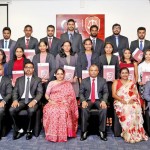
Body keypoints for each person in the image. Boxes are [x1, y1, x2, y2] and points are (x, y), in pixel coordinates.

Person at [112, 67, 148, 143]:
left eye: (126, 73)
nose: (125, 74)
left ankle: (135, 132)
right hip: (119, 101)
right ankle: (128, 133)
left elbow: (135, 94)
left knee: (135, 107)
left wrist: (132, 99)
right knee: (126, 109)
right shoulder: (116, 82)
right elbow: (114, 95)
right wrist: (122, 100)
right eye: (123, 73)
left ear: (128, 74)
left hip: (130, 100)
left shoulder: (132, 82)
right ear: (120, 74)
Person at [9, 62, 43, 140]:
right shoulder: (19, 79)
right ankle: (19, 129)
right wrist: (15, 100)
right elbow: (15, 91)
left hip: (32, 100)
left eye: (30, 67)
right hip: (21, 100)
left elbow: (40, 93)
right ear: (24, 69)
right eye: (26, 67)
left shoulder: (37, 79)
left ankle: (29, 130)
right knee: (11, 110)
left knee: (31, 110)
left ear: (33, 69)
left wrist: (34, 101)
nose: (28, 69)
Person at [43, 68, 78, 142]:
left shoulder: (67, 84)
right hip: (53, 101)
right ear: (55, 75)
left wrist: (65, 101)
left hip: (64, 102)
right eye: (58, 74)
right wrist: (50, 101)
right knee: (51, 110)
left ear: (64, 75)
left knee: (63, 110)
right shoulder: (51, 83)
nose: (60, 76)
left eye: (61, 74)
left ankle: (64, 134)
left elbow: (71, 96)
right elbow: (46, 94)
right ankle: (52, 134)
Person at [80, 64, 108, 141]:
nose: (93, 72)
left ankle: (102, 131)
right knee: (84, 108)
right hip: (88, 100)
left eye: (95, 70)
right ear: (89, 72)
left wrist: (104, 101)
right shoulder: (84, 81)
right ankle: (84, 131)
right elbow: (81, 93)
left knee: (104, 108)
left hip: (99, 100)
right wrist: (83, 101)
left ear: (98, 71)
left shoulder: (102, 80)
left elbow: (105, 92)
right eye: (91, 70)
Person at [99, 42, 120, 126]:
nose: (108, 49)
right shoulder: (100, 58)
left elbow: (118, 69)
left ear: (112, 49)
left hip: (112, 83)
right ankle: (106, 119)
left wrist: (116, 79)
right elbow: (99, 70)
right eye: (106, 47)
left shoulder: (115, 58)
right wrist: (101, 79)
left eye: (110, 47)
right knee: (104, 100)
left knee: (111, 100)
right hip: (103, 82)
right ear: (104, 49)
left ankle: (111, 118)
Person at [0, 64, 12, 140]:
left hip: (2, 101)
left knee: (0, 110)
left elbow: (9, 93)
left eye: (0, 69)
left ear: (3, 71)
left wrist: (3, 101)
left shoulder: (7, 79)